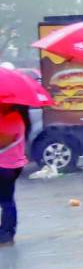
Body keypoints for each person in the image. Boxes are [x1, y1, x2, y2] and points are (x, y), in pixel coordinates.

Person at [0, 102, 29, 246]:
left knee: (6, 201)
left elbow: (3, 141)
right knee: (7, 200)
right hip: (10, 165)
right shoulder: (11, 117)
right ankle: (6, 233)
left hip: (7, 166)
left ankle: (6, 235)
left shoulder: (12, 118)